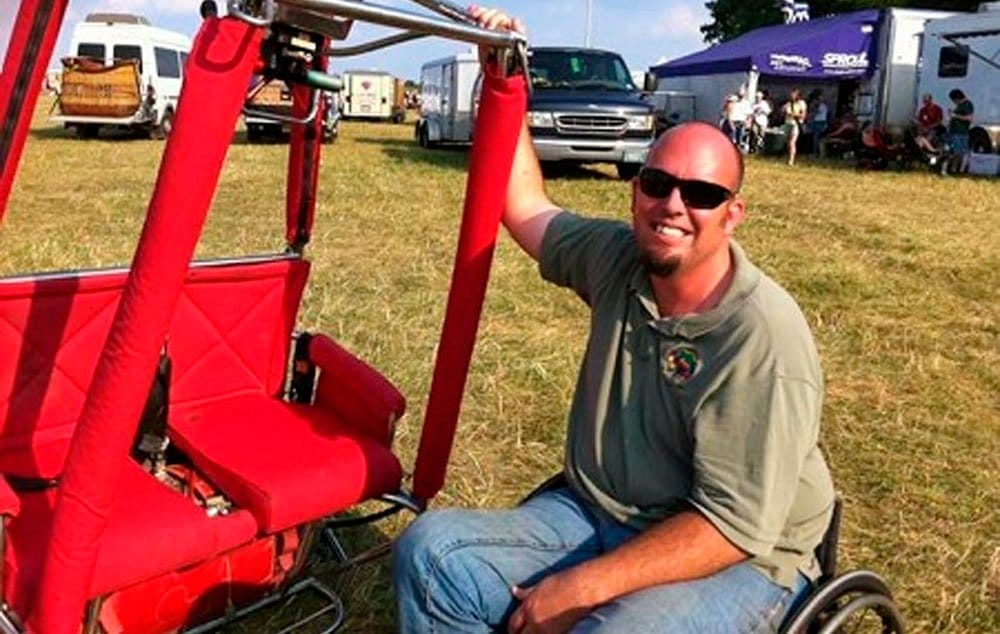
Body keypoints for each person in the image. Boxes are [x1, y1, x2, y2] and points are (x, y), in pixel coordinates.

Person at [392, 7, 836, 633]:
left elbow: (734, 526)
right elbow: (522, 206)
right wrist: (506, 78)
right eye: (657, 182)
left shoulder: (761, 337)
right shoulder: (618, 259)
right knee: (431, 554)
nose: (673, 205)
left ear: (733, 215)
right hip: (596, 511)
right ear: (635, 188)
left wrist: (580, 587)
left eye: (702, 195)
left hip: (740, 555)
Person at [945, 88, 974, 174]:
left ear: (957, 98)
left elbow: (970, 118)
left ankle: (957, 169)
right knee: (954, 151)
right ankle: (953, 168)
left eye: (953, 100)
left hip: (961, 132)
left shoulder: (967, 104)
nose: (953, 102)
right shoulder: (960, 105)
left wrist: (955, 116)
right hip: (954, 131)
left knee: (959, 152)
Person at [782, 89, 807, 166]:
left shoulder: (801, 103)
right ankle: (788, 156)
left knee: (792, 142)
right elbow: (782, 112)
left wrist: (793, 115)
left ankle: (791, 160)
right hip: (788, 123)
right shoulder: (789, 103)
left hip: (795, 124)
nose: (792, 96)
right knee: (787, 141)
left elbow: (803, 115)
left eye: (794, 94)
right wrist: (783, 110)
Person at [807, 91, 828, 156]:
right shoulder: (821, 106)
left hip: (819, 122)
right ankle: (816, 152)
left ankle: (815, 153)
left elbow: (814, 113)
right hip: (817, 122)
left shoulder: (822, 106)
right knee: (815, 138)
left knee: (816, 138)